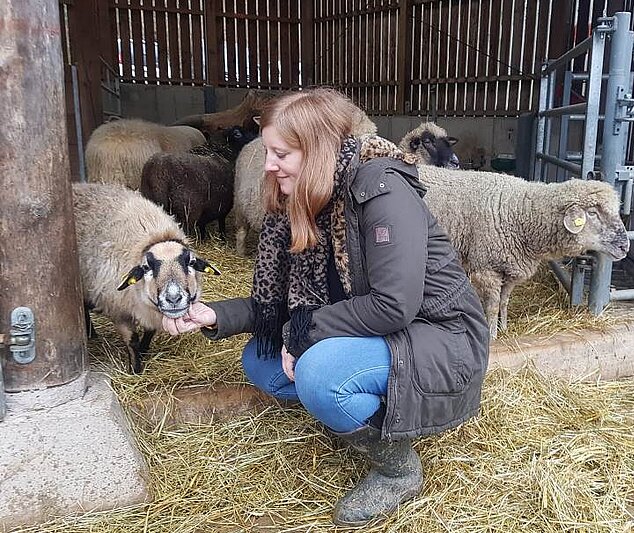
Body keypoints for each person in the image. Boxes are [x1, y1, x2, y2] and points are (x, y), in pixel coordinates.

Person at [162, 88, 490, 527]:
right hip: (386, 329)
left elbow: (394, 306)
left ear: (315, 151)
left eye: (280, 153)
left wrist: (304, 335)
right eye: (267, 151)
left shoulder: (382, 191)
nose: (267, 164)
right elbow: (288, 304)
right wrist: (217, 315)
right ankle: (348, 408)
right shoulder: (311, 200)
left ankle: (398, 467)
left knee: (317, 371)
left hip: (440, 337)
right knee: (260, 361)